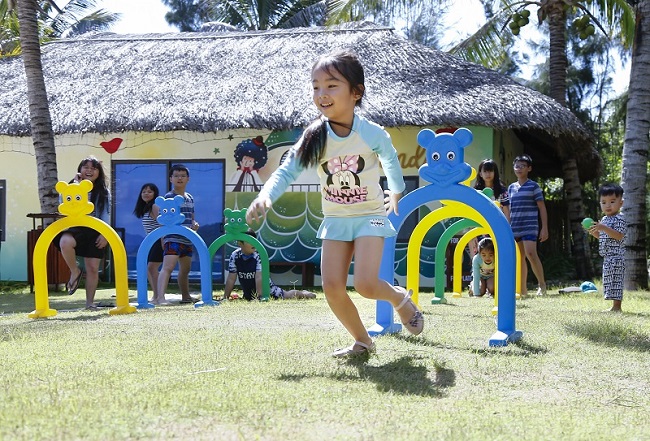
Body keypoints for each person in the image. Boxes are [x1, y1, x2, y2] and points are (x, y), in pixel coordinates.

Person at [246, 50, 424, 358]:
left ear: (356, 92)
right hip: (336, 220)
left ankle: (399, 299)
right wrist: (265, 196)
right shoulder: (314, 136)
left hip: (371, 215)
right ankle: (363, 341)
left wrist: (395, 190)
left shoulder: (371, 133)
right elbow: (287, 170)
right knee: (331, 287)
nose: (321, 94)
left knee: (367, 284)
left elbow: (390, 159)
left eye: (331, 85)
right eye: (315, 86)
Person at [55, 156, 110, 310]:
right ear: (80, 170)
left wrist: (105, 234)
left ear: (99, 172)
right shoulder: (71, 186)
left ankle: (90, 303)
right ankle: (75, 271)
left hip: (95, 230)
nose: (89, 170)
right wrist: (75, 184)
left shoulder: (103, 192)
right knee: (64, 242)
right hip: (75, 228)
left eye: (94, 168)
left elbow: (106, 214)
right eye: (86, 167)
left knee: (92, 268)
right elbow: (62, 203)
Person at [223, 229, 317, 301]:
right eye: (249, 241)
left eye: (254, 240)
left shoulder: (258, 255)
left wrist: (260, 297)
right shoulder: (235, 256)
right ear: (240, 243)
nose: (253, 244)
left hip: (268, 290)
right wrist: (225, 298)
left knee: (288, 295)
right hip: (249, 293)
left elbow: (259, 277)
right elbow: (231, 278)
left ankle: (305, 294)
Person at [156, 164, 199, 304]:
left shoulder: (190, 198)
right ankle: (160, 297)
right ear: (171, 179)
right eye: (176, 176)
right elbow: (163, 219)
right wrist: (163, 237)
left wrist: (195, 225)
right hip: (173, 238)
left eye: (182, 176)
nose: (179, 178)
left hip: (187, 239)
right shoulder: (169, 197)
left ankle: (185, 296)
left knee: (185, 270)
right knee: (167, 268)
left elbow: (192, 217)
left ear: (188, 179)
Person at [508, 154, 548, 297]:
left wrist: (544, 228)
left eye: (522, 166)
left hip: (530, 225)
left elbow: (542, 207)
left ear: (529, 168)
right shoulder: (511, 188)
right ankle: (522, 290)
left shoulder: (533, 186)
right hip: (515, 226)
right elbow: (508, 208)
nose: (519, 168)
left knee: (531, 253)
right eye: (517, 166)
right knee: (520, 257)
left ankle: (542, 285)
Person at [587, 183, 626, 312]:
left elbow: (619, 236)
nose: (608, 205)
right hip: (608, 257)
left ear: (621, 203)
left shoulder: (620, 219)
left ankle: (617, 307)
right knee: (609, 282)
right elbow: (604, 237)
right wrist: (594, 232)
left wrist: (603, 228)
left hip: (617, 256)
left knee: (616, 281)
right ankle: (614, 306)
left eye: (612, 201)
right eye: (603, 202)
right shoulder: (604, 219)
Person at [469, 158, 510, 256]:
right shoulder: (476, 192)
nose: (488, 174)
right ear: (480, 173)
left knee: (496, 257)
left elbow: (506, 212)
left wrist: (506, 231)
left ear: (495, 172)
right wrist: (471, 233)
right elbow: (472, 212)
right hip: (479, 228)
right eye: (485, 171)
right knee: (478, 259)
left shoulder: (501, 191)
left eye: (490, 171)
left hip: (497, 228)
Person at [133, 183, 164, 304]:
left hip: (158, 240)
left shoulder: (154, 206)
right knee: (149, 269)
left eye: (150, 191)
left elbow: (162, 224)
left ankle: (158, 295)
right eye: (144, 191)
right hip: (151, 241)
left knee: (151, 267)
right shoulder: (146, 208)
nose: (146, 193)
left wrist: (163, 240)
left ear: (155, 194)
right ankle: (156, 295)